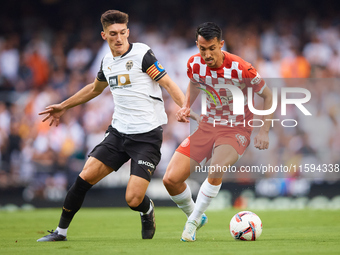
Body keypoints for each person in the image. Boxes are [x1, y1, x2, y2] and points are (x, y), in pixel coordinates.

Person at [37, 10, 185, 242]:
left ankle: (147, 211)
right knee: (84, 177)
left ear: (128, 32)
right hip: (118, 134)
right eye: (113, 33)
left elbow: (167, 82)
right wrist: (64, 106)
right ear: (104, 35)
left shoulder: (142, 54)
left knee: (133, 199)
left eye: (122, 32)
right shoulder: (107, 62)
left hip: (147, 137)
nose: (119, 38)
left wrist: (183, 106)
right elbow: (94, 89)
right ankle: (60, 232)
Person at [162, 22, 273, 242]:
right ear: (197, 45)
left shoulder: (241, 67)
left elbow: (268, 96)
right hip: (207, 126)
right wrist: (186, 106)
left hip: (236, 129)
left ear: (221, 44)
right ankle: (196, 214)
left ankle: (192, 222)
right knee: (170, 179)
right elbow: (194, 83)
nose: (207, 54)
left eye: (212, 48)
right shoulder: (194, 63)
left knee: (216, 168)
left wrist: (264, 131)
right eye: (202, 49)